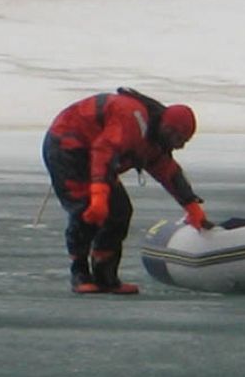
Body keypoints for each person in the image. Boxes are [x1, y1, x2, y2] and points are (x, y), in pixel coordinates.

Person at [42, 87, 212, 294]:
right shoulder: (132, 119)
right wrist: (98, 195)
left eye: (184, 142)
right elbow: (104, 150)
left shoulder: (154, 138)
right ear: (168, 130)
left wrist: (191, 206)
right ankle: (80, 273)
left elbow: (167, 171)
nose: (179, 147)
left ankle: (105, 276)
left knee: (120, 211)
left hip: (96, 158)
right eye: (178, 140)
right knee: (85, 210)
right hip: (67, 148)